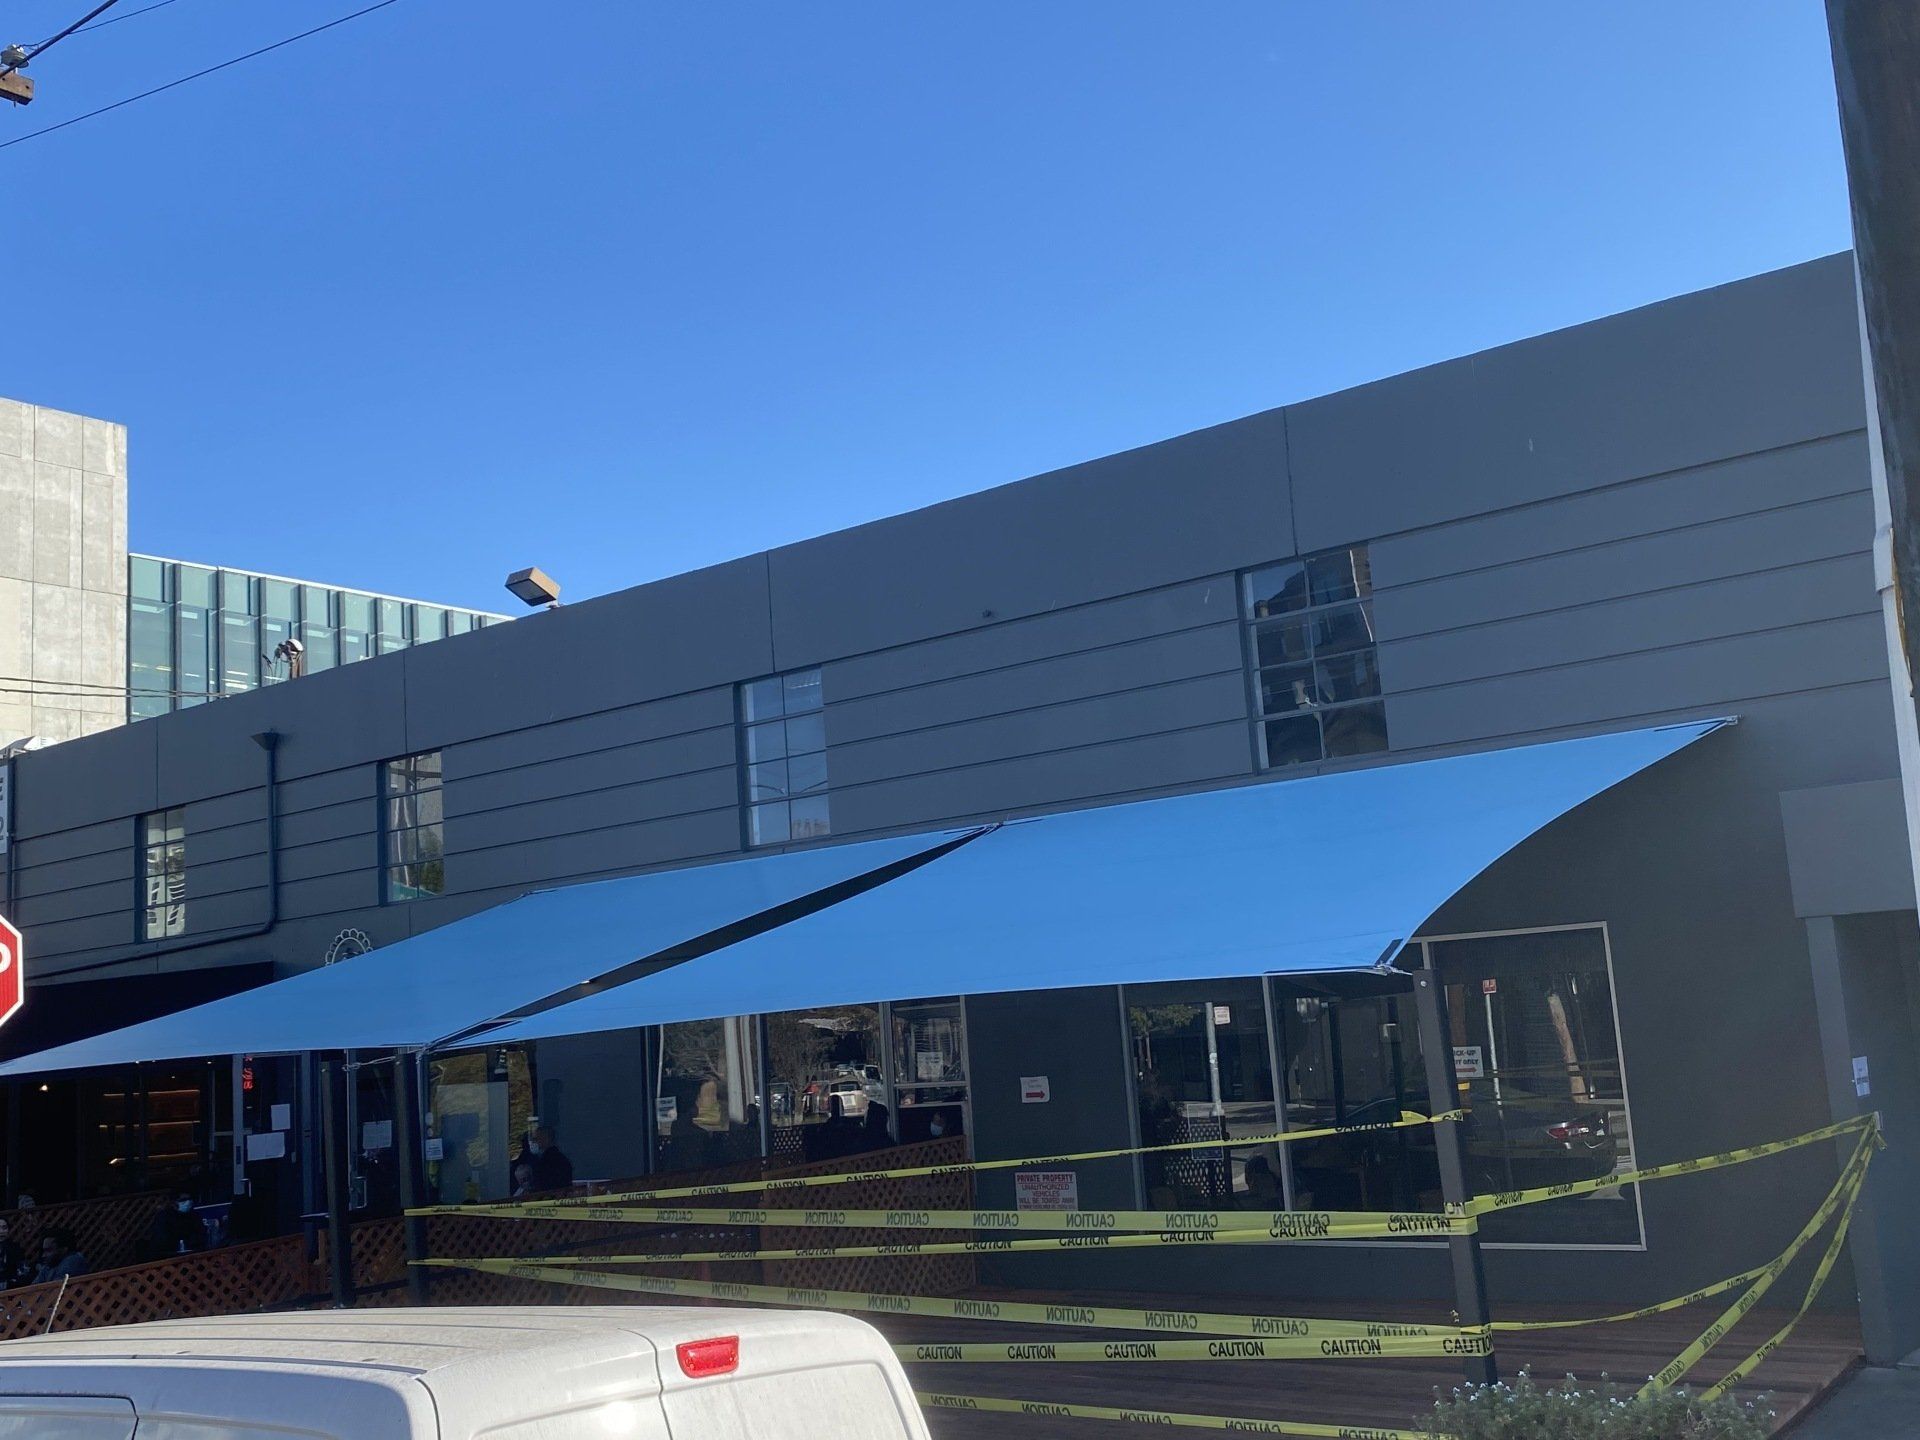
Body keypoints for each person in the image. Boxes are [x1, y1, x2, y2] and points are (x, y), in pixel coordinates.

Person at [140, 1191, 206, 1261]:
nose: (188, 1202)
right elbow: (161, 1238)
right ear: (174, 1202)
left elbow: (200, 1233)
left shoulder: (194, 1215)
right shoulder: (164, 1216)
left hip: (192, 1253)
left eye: (190, 1199)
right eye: (183, 1200)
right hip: (168, 1255)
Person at [516, 1127, 573, 1193]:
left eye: (537, 1139)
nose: (535, 1142)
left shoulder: (548, 1161)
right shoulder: (561, 1159)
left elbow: (544, 1184)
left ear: (546, 1139)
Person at [0, 1218, 27, 1289]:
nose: (1, 1231)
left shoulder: (15, 1248)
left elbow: (22, 1270)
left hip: (11, 1287)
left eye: (4, 1228)